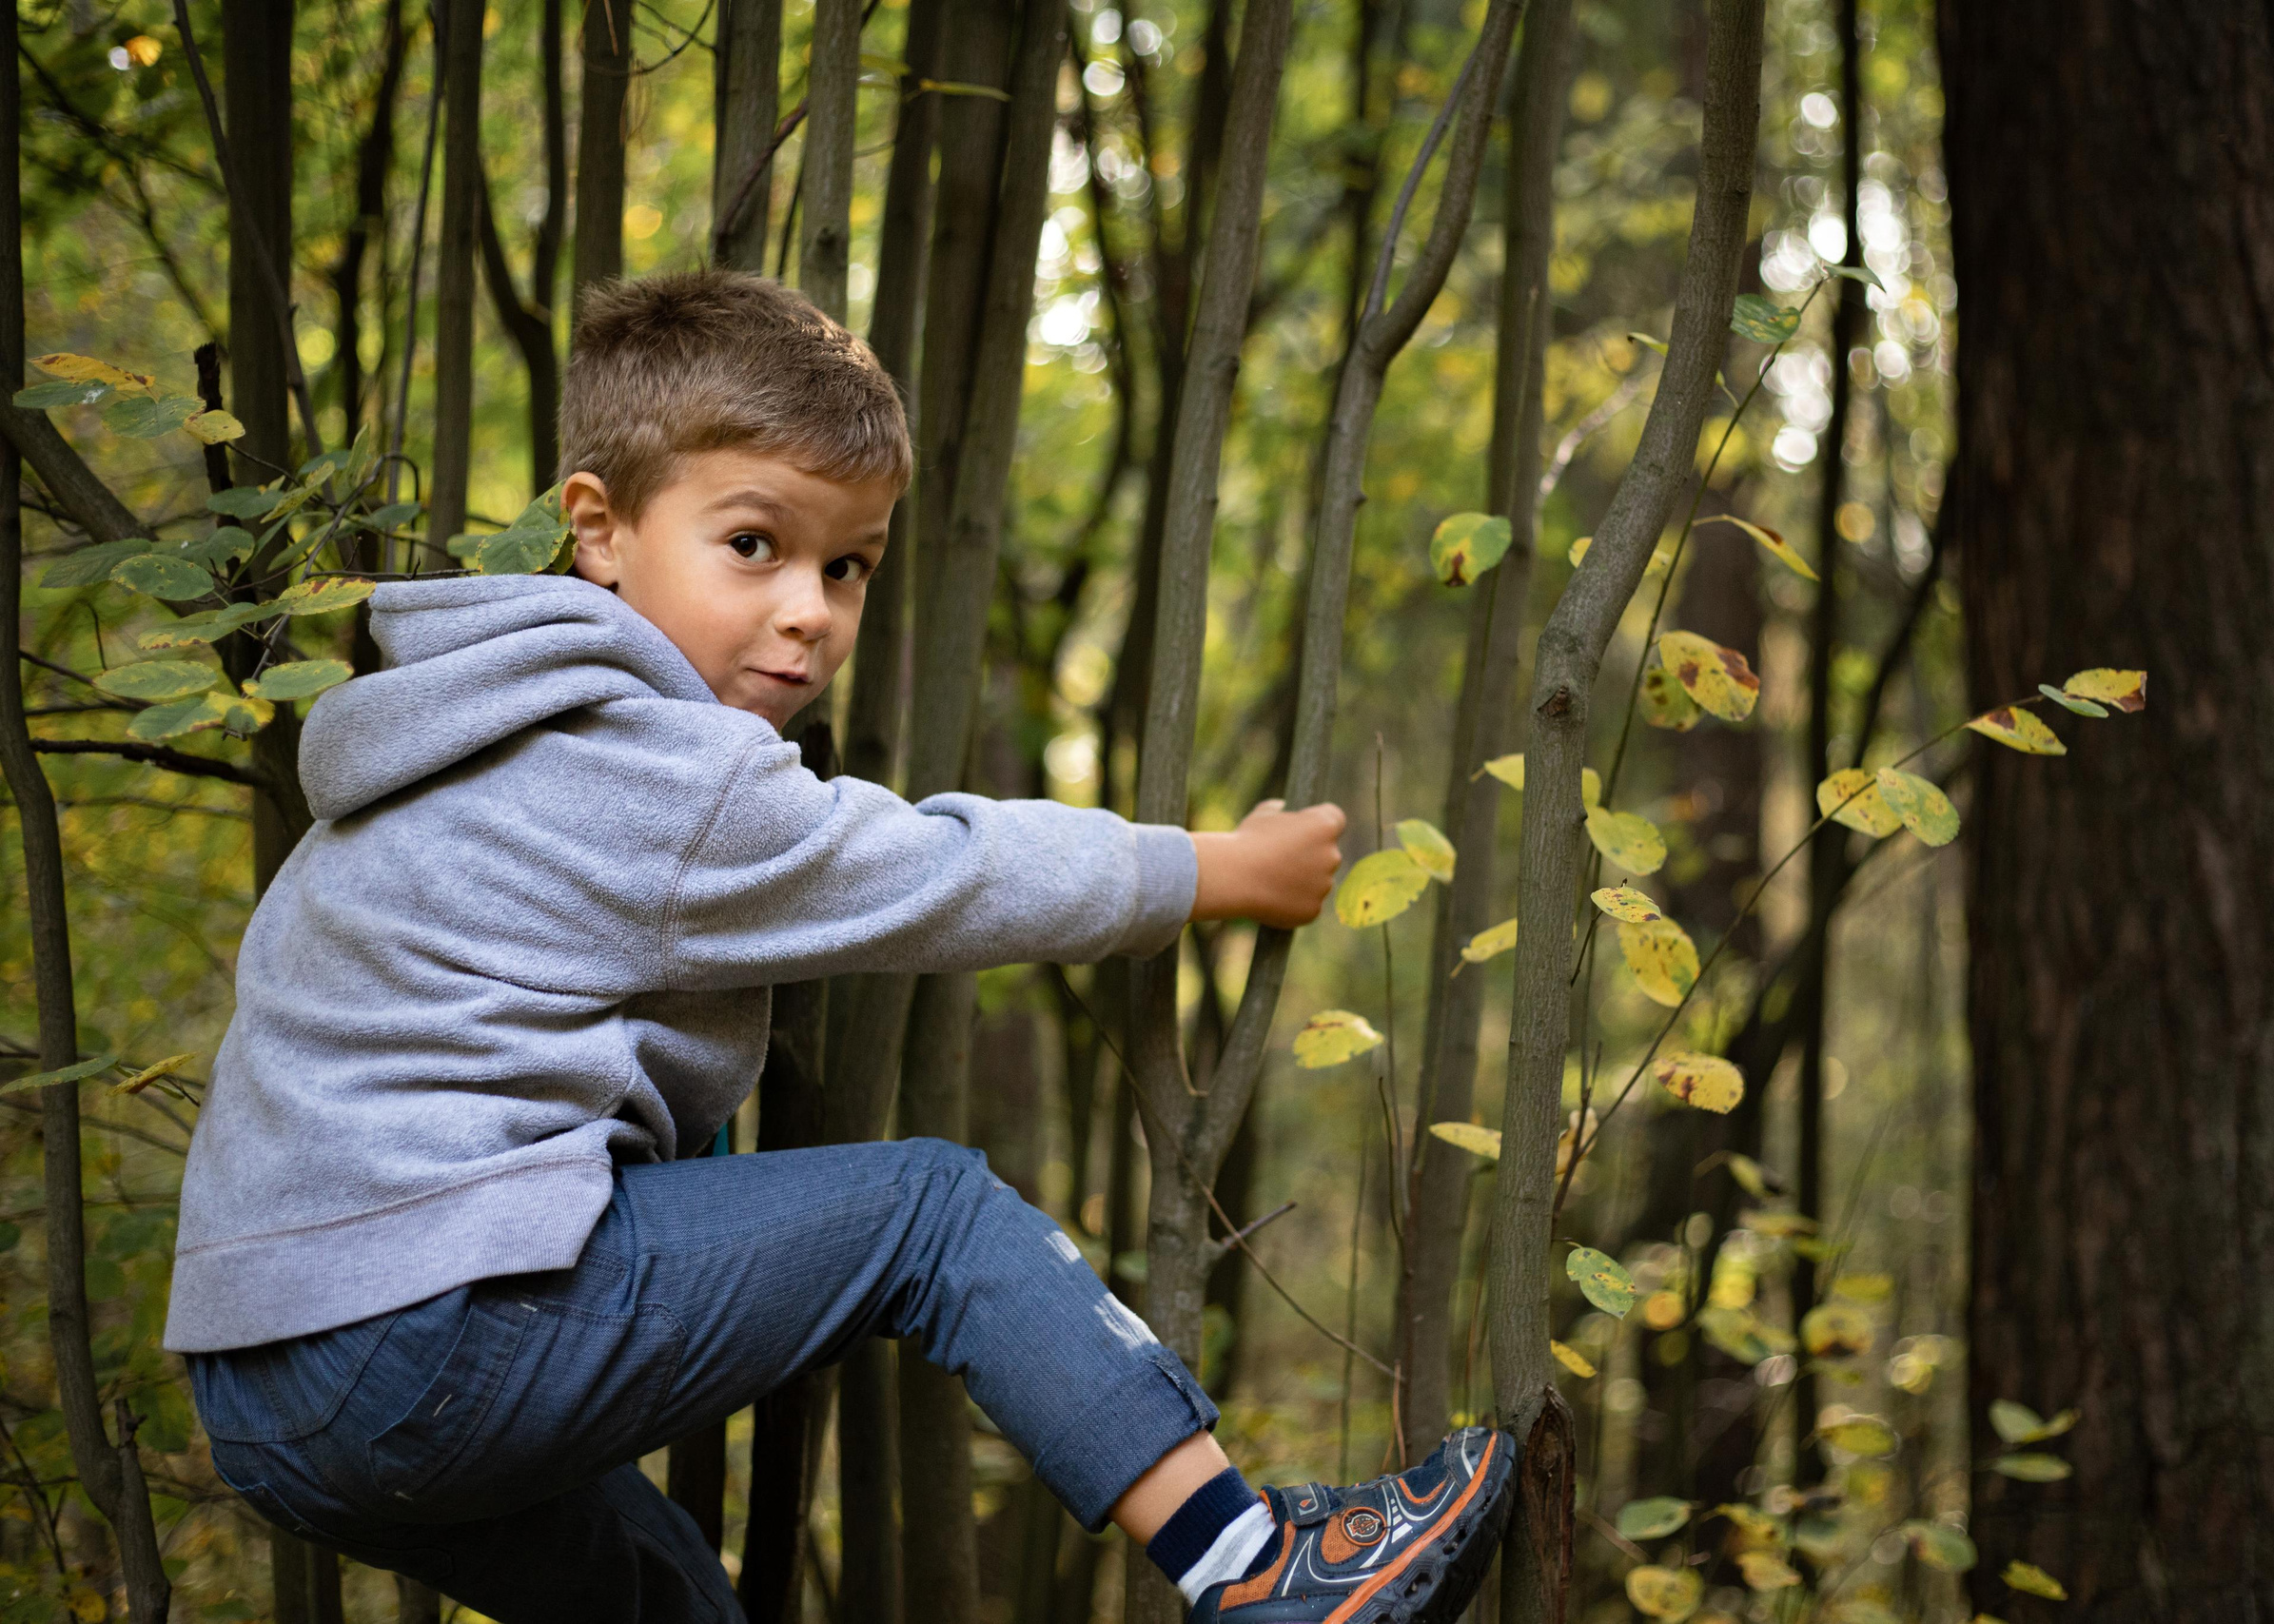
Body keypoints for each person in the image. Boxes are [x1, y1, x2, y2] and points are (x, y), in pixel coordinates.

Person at [168, 269, 1514, 1623]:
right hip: (428, 1326)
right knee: (931, 1215)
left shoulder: (462, 733)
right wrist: (1217, 869)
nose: (810, 609)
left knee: (660, 1596)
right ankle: (1257, 1571)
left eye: (847, 565)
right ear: (600, 528)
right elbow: (948, 874)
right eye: (754, 544)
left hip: (263, 1384)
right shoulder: (653, 771)